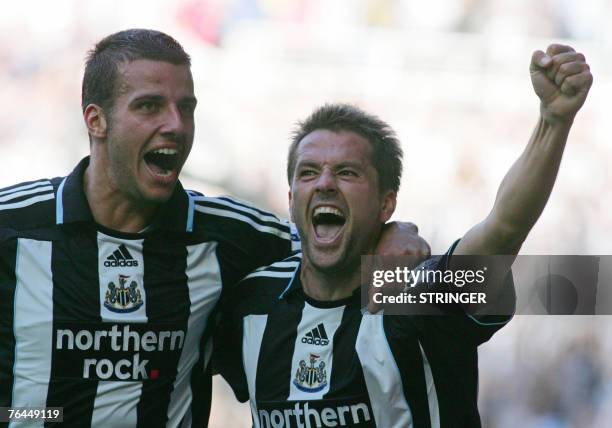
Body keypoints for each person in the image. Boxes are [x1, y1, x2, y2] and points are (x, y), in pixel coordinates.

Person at [0, 29, 428, 427]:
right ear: (96, 120)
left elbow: (336, 241)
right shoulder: (13, 228)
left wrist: (393, 233)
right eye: (149, 106)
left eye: (186, 108)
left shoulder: (233, 237)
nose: (175, 125)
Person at [214, 44, 592, 427]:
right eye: (309, 172)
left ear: (387, 204)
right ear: (292, 199)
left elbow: (504, 230)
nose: (325, 182)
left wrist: (553, 121)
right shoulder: (251, 302)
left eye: (347, 172)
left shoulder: (419, 292)